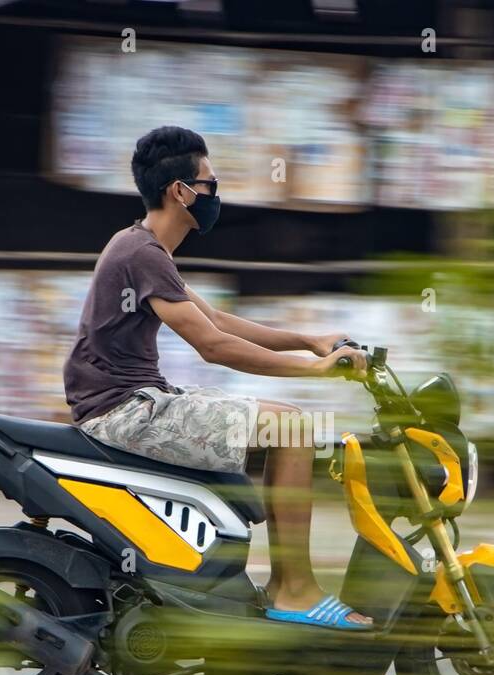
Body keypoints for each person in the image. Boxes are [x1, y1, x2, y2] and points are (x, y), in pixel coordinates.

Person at [64, 126, 372, 630]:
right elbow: (213, 347)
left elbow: (222, 324)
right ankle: (295, 590)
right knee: (292, 429)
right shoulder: (141, 253)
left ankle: (281, 585)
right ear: (179, 191)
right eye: (209, 184)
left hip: (136, 400)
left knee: (289, 424)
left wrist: (309, 340)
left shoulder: (144, 250)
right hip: (124, 412)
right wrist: (316, 370)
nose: (214, 194)